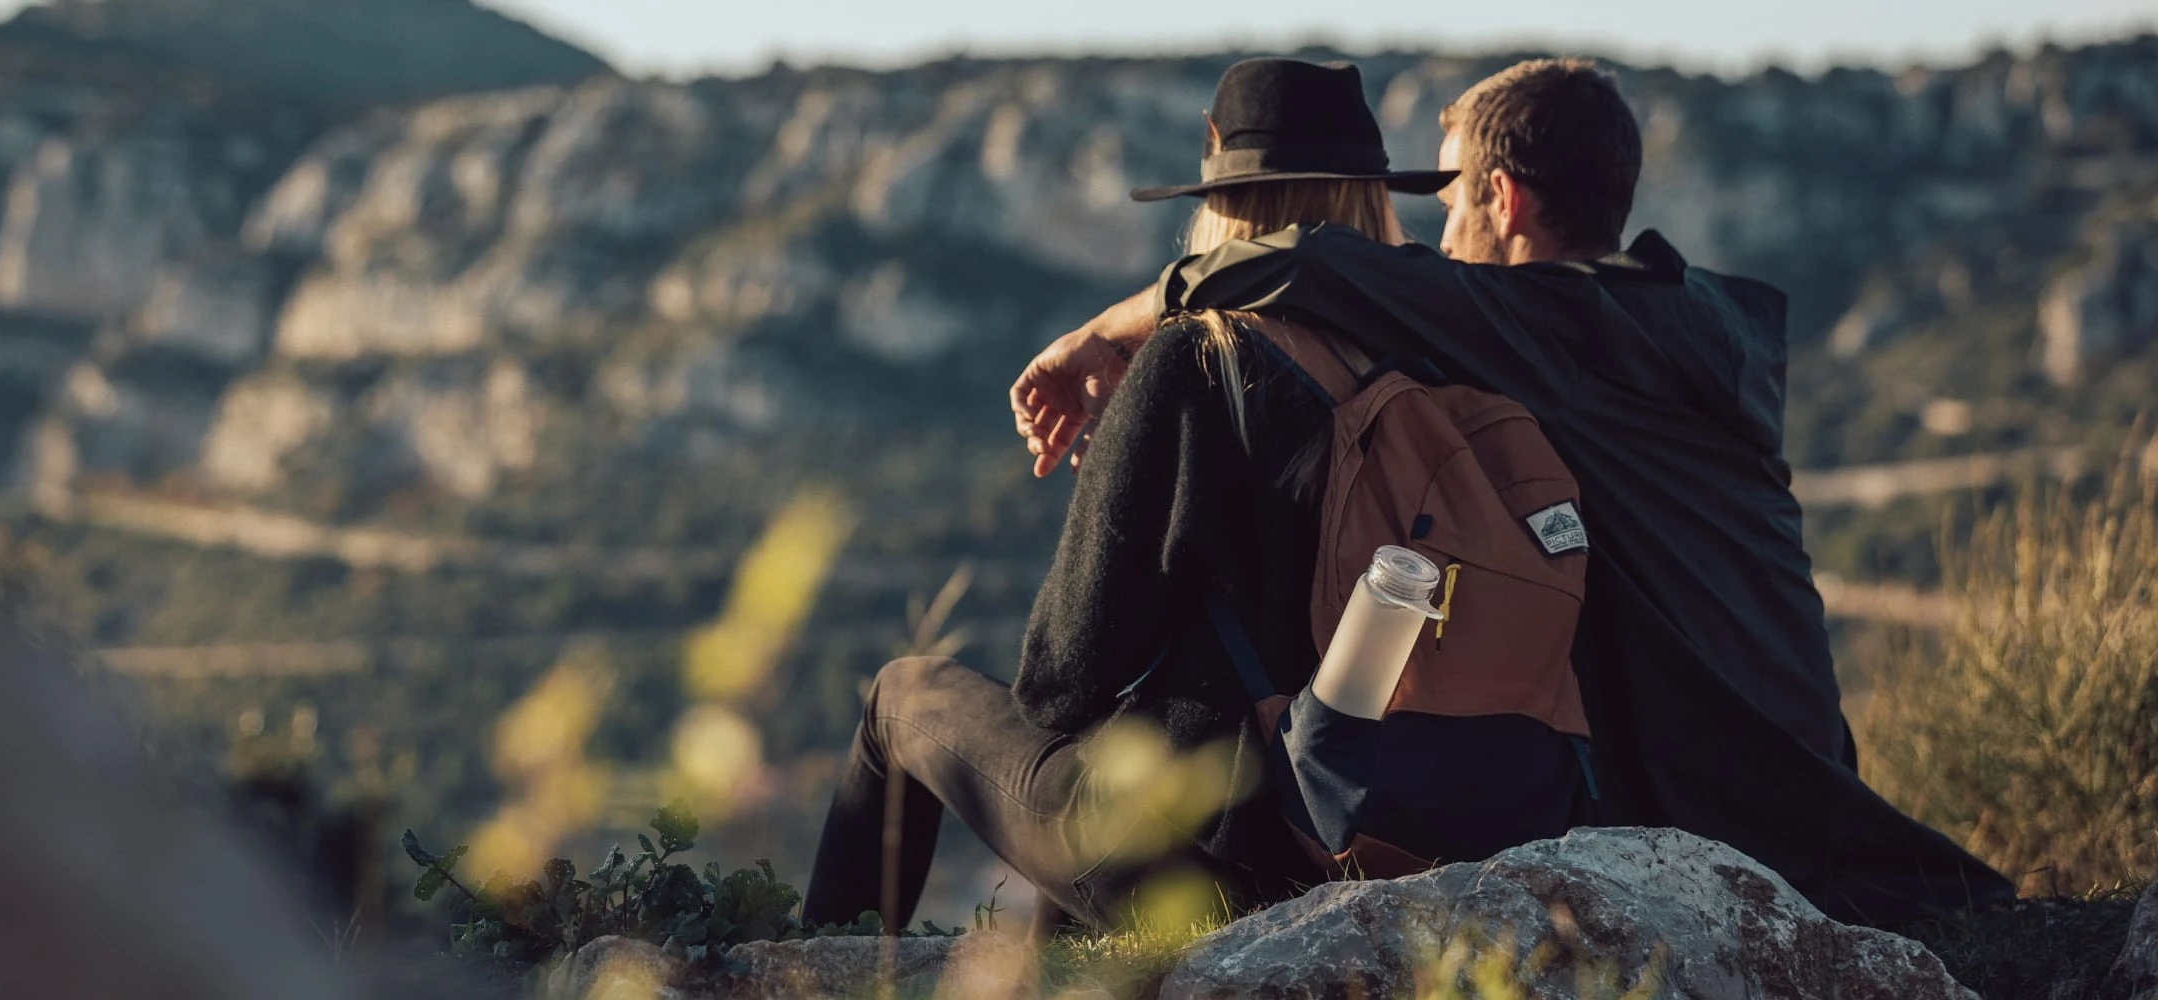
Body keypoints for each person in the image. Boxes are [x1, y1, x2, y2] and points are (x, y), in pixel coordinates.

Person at [1011, 57, 2016, 925]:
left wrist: (1099, 334)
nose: (1435, 242)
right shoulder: (1688, 326)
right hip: (1821, 802)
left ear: (1506, 200)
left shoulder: (1551, 327)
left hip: (1709, 824)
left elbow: (1300, 260)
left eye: (1449, 210)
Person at [802, 59, 1591, 934]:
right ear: (1372, 197)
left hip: (1195, 867)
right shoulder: (1439, 372)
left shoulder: (1199, 360)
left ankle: (815, 973)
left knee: (900, 696)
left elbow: (1059, 682)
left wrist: (1125, 478)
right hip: (1359, 845)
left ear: (1220, 188)